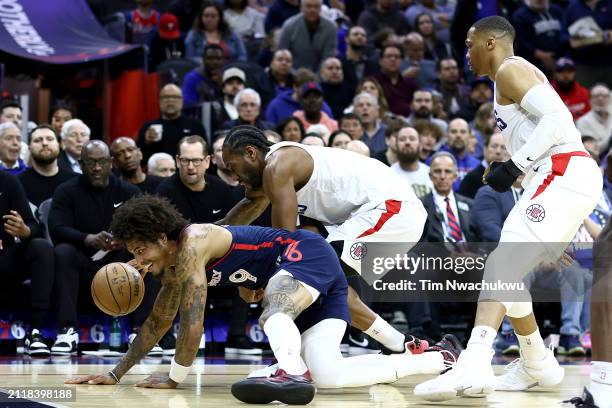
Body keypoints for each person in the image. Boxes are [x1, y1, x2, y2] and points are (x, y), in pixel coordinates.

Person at [65, 195, 459, 404]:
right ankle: (433, 359)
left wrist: (174, 377)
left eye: (139, 250)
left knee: (273, 308)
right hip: (314, 286)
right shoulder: (171, 273)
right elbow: (156, 324)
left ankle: (289, 371)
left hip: (305, 252)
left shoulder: (192, 243)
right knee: (330, 377)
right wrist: (116, 372)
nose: (136, 262)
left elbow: (193, 323)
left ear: (161, 237)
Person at [414, 16, 602, 401]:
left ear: (491, 42)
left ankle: (475, 360)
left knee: (501, 264)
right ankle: (536, 362)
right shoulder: (509, 77)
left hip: (562, 170)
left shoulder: (508, 69)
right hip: (561, 177)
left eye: (469, 44)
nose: (465, 53)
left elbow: (558, 119)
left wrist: (515, 166)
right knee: (507, 271)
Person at [220, 125, 429, 358]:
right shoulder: (275, 172)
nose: (233, 177)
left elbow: (285, 244)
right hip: (363, 213)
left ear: (251, 153)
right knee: (319, 280)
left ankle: (292, 360)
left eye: (232, 167)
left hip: (393, 209)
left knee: (303, 273)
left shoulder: (277, 166)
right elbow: (243, 213)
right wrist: (206, 234)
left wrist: (251, 280)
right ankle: (399, 344)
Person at [49, 140, 144, 355]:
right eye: (90, 163)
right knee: (62, 252)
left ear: (111, 162)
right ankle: (67, 331)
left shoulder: (129, 191)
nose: (97, 168)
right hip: (83, 262)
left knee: (145, 253)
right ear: (81, 164)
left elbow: (145, 228)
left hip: (120, 262)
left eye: (102, 161)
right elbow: (56, 228)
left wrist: (126, 241)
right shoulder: (66, 190)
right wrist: (87, 238)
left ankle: (140, 332)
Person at [1, 171, 55, 356]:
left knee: (41, 247)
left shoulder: (7, 181)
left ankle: (35, 332)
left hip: (4, 260)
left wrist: (24, 231)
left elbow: (34, 227)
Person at [137, 84, 207, 163]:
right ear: (159, 101)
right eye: (166, 97)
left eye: (175, 97)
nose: (170, 100)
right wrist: (146, 143)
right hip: (157, 173)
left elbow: (205, 154)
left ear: (182, 100)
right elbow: (139, 159)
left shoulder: (195, 126)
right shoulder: (148, 128)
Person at [18, 125, 75, 208]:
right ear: (29, 147)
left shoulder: (75, 182)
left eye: (50, 139)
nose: (45, 143)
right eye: (37, 140)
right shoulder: (17, 184)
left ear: (59, 145)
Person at [278, 0, 337, 71]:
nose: (312, 10)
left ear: (321, 8)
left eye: (316, 6)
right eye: (308, 6)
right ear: (301, 7)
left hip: (322, 75)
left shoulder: (331, 28)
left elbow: (328, 56)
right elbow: (282, 53)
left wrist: (318, 78)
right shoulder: (289, 26)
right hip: (293, 74)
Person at [392, 125, 433, 198]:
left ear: (420, 145)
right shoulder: (388, 174)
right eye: (402, 139)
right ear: (396, 146)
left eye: (412, 139)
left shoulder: (431, 174)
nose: (407, 142)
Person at [576, 84, 612, 152]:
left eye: (604, 96)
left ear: (610, 98)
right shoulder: (582, 122)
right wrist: (609, 140)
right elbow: (591, 151)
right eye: (596, 96)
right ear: (589, 100)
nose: (600, 99)